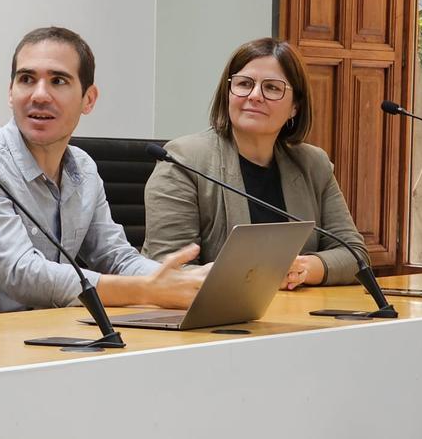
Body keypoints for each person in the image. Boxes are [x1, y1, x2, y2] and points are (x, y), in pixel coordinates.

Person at [0, 26, 207, 319]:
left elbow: (115, 257)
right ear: (10, 92)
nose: (39, 95)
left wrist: (182, 282)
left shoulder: (84, 169)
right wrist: (147, 290)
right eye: (27, 79)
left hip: (42, 336)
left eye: (58, 81)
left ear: (89, 99)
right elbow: (23, 274)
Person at [143, 37, 368, 289]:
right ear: (228, 92)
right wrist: (255, 277)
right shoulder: (183, 160)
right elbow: (168, 268)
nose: (255, 96)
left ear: (295, 106)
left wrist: (302, 269)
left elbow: (354, 254)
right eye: (244, 84)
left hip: (296, 316)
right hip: (211, 319)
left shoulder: (313, 164)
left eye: (272, 88)